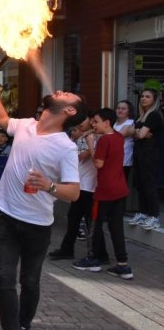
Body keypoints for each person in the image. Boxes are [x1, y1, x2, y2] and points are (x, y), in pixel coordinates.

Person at [0, 72, 86, 330]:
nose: (60, 91)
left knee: (29, 281)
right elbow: (1, 119)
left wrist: (49, 186)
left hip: (37, 225)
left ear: (70, 110)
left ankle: (24, 323)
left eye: (67, 95)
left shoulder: (66, 147)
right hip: (4, 216)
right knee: (5, 279)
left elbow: (73, 193)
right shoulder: (26, 125)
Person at [73, 108, 133, 279]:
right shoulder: (118, 137)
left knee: (95, 225)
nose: (93, 124)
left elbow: (98, 163)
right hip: (120, 188)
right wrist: (93, 131)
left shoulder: (105, 141)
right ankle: (122, 264)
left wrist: (91, 144)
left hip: (105, 190)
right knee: (116, 227)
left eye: (96, 121)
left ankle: (93, 259)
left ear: (106, 122)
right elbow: (101, 132)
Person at [49, 114, 98, 263]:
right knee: (73, 218)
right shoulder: (79, 139)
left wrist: (84, 140)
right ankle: (67, 249)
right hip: (80, 184)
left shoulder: (93, 138)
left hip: (89, 187)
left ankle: (94, 254)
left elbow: (82, 156)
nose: (74, 131)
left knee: (89, 222)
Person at [128, 89, 162, 230]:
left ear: (154, 100)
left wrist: (137, 132)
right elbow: (133, 132)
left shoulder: (153, 115)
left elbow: (139, 134)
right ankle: (143, 213)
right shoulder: (140, 117)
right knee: (140, 184)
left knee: (149, 185)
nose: (143, 98)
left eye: (148, 96)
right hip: (139, 154)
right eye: (142, 96)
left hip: (150, 155)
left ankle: (154, 215)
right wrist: (138, 132)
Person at [113, 100, 135, 181]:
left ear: (129, 111)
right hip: (114, 159)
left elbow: (118, 136)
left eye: (123, 108)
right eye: (118, 108)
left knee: (121, 184)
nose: (120, 110)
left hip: (124, 160)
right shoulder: (115, 123)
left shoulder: (130, 123)